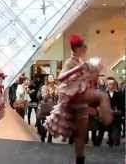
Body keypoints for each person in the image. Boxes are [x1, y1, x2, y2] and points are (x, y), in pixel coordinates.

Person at [45, 34, 112, 164]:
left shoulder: (81, 61)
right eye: (84, 45)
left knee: (81, 136)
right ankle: (106, 118)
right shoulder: (71, 62)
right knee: (102, 95)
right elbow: (60, 77)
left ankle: (79, 160)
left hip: (80, 102)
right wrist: (79, 69)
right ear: (77, 48)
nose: (86, 48)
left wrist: (94, 69)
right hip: (74, 96)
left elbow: (87, 78)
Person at [37, 75, 57, 143]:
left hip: (53, 108)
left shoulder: (56, 87)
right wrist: (49, 93)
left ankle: (50, 139)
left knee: (52, 123)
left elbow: (57, 98)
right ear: (47, 79)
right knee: (45, 123)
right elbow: (44, 97)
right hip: (46, 107)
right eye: (50, 78)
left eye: (52, 78)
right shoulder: (44, 87)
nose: (51, 79)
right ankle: (43, 137)